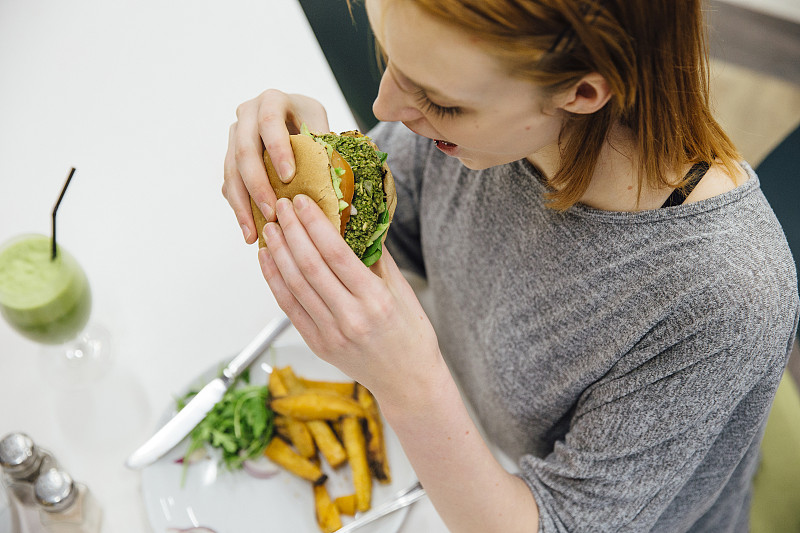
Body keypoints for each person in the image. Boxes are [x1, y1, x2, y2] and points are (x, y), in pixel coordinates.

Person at [221, 0, 799, 531]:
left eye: (440, 100)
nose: (385, 108)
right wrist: (321, 169)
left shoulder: (725, 296)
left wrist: (410, 386)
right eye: (389, 58)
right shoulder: (480, 132)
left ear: (582, 92)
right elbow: (395, 231)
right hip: (471, 445)